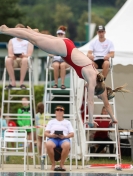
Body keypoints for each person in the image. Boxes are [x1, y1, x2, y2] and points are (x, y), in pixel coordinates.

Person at [0, 25, 129, 127]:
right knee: (31, 39)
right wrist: (90, 120)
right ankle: (6, 30)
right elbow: (90, 101)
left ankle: (34, 32)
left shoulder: (96, 75)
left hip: (67, 45)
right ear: (94, 86)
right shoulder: (91, 78)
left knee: (34, 36)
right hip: (64, 49)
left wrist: (114, 119)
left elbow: (104, 99)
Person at [45, 105, 74, 171]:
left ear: (63, 113)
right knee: (48, 144)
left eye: (61, 110)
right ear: (55, 112)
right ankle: (53, 164)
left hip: (64, 138)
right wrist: (52, 135)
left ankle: (62, 164)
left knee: (67, 145)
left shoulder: (67, 122)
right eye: (57, 110)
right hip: (53, 138)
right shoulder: (51, 122)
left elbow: (72, 134)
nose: (59, 112)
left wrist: (65, 136)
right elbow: (46, 133)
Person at [5, 23, 34, 89]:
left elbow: (29, 54)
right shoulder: (11, 41)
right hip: (15, 60)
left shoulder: (28, 41)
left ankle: (21, 83)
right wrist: (12, 56)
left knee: (25, 60)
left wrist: (24, 55)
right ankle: (13, 82)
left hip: (24, 60)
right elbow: (10, 54)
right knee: (8, 60)